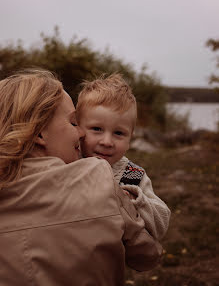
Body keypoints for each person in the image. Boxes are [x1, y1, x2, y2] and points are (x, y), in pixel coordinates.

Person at [0, 68, 162, 286]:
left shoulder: (132, 174)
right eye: (74, 123)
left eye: (119, 133)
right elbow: (148, 256)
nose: (82, 134)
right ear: (39, 133)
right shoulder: (97, 178)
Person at [76, 73, 171, 240]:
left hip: (108, 260)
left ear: (130, 138)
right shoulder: (69, 161)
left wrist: (135, 201)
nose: (107, 142)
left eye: (118, 133)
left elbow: (161, 223)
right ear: (77, 127)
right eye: (97, 129)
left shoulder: (132, 175)